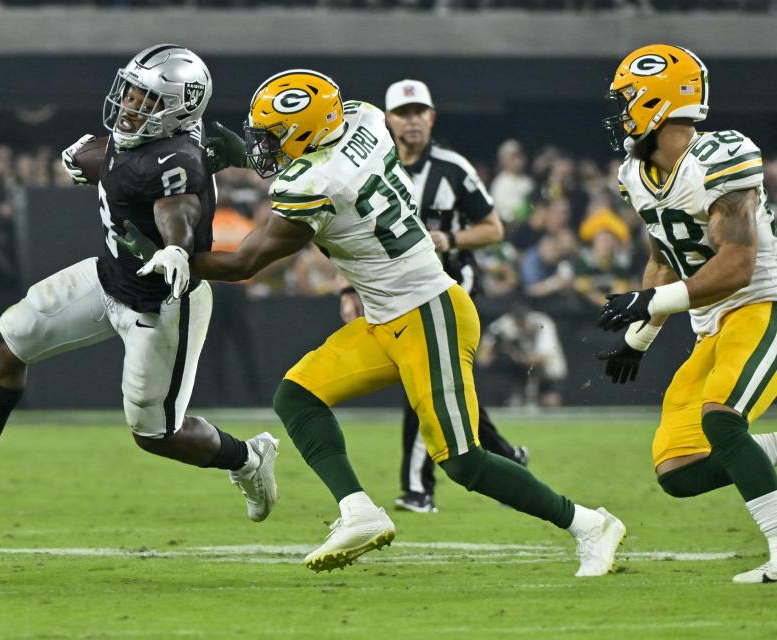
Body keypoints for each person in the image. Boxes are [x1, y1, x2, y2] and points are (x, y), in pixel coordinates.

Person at [119, 69, 626, 575]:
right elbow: (317, 149)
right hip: (388, 317)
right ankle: (358, 511)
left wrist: (177, 256)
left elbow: (244, 263)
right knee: (297, 395)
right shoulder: (365, 120)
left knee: (464, 461)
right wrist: (250, 155)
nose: (263, 148)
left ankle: (588, 524)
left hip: (430, 314)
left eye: (272, 136)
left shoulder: (314, 183)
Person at [0, 45, 279, 525]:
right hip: (108, 277)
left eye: (145, 99)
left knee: (155, 434)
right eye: (131, 92)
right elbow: (131, 161)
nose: (128, 105)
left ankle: (247, 458)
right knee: (7, 340)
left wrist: (176, 248)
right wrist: (94, 158)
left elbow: (176, 208)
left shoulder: (175, 157)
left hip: (161, 302)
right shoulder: (158, 140)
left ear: (176, 109)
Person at [596, 44, 777, 584]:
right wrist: (642, 334)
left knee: (721, 418)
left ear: (659, 100)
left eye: (627, 97)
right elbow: (662, 257)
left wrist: (652, 303)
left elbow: (738, 265)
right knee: (677, 469)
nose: (620, 109)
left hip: (763, 303)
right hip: (711, 324)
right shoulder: (636, 173)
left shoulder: (720, 156)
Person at [373, 79, 527, 514]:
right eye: (404, 113)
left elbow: (493, 228)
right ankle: (505, 456)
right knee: (443, 387)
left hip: (452, 287)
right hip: (397, 292)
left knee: (421, 383)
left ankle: (417, 489)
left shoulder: (453, 167)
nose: (413, 119)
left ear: (432, 117)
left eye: (420, 111)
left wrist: (451, 238)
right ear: (388, 119)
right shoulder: (375, 168)